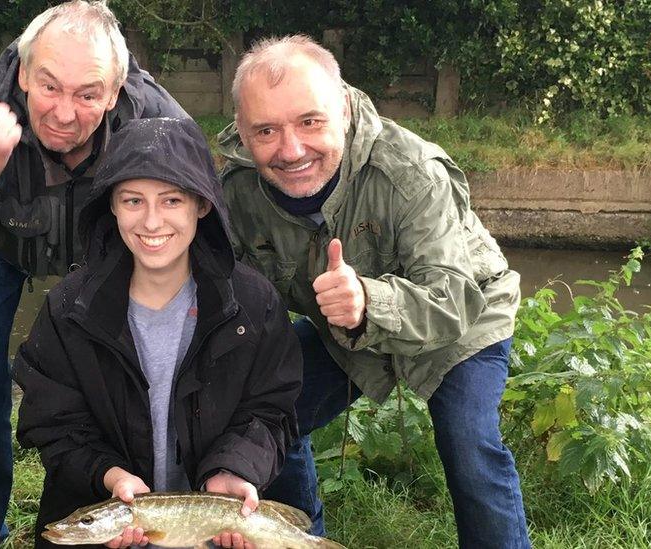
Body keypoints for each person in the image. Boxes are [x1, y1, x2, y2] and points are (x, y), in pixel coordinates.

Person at [0, 2, 188, 546]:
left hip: (106, 248)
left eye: (88, 94)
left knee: (126, 371)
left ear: (115, 92)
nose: (64, 114)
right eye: (48, 86)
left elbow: (201, 235)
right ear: (23, 73)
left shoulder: (157, 121)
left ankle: (130, 513)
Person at [218, 35, 531, 548]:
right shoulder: (237, 190)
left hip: (463, 315)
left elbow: (453, 297)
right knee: (265, 412)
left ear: (341, 106)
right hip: (338, 327)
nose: (291, 149)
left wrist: (368, 300)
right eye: (266, 130)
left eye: (310, 121)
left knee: (470, 444)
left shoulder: (411, 172)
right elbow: (228, 294)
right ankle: (299, 538)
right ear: (243, 131)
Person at [11, 117, 303, 549]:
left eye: (171, 201)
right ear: (111, 204)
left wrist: (234, 468)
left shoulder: (253, 302)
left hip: (216, 526)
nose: (151, 222)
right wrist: (108, 475)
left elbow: (271, 411)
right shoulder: (68, 307)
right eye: (133, 200)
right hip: (104, 509)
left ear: (201, 206)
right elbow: (52, 422)